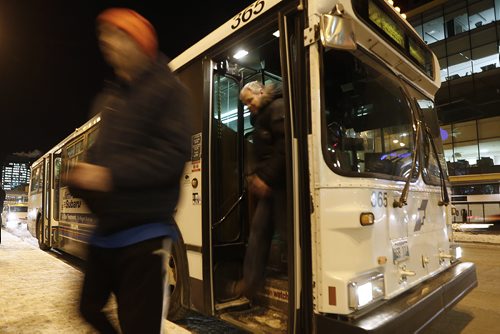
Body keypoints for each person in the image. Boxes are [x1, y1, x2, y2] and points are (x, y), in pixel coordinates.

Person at [66, 8, 192, 334]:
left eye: (116, 35)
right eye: (103, 36)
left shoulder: (169, 90)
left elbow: (171, 156)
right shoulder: (110, 100)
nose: (106, 43)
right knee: (87, 309)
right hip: (105, 234)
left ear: (140, 43)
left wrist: (109, 176)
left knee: (138, 325)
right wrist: (78, 179)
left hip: (144, 234)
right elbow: (97, 157)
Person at [226, 81, 287, 300]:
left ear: (261, 92)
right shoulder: (263, 115)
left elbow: (284, 149)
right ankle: (251, 284)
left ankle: (302, 281)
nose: (248, 106)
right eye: (245, 104)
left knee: (284, 234)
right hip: (272, 187)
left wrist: (266, 178)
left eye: (250, 101)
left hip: (281, 187)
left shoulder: (277, 108)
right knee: (258, 233)